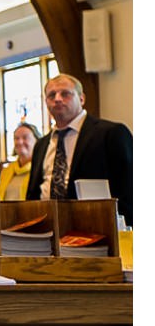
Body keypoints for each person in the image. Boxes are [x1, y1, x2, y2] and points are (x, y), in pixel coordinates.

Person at [25, 73, 134, 226]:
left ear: (81, 98)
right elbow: (33, 194)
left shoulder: (111, 133)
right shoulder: (42, 144)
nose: (57, 99)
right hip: (47, 230)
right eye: (51, 95)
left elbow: (129, 189)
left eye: (65, 94)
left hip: (97, 228)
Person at [0, 121, 37, 202]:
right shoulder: (7, 171)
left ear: (37, 141)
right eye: (16, 138)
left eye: (25, 137)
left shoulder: (39, 170)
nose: (19, 142)